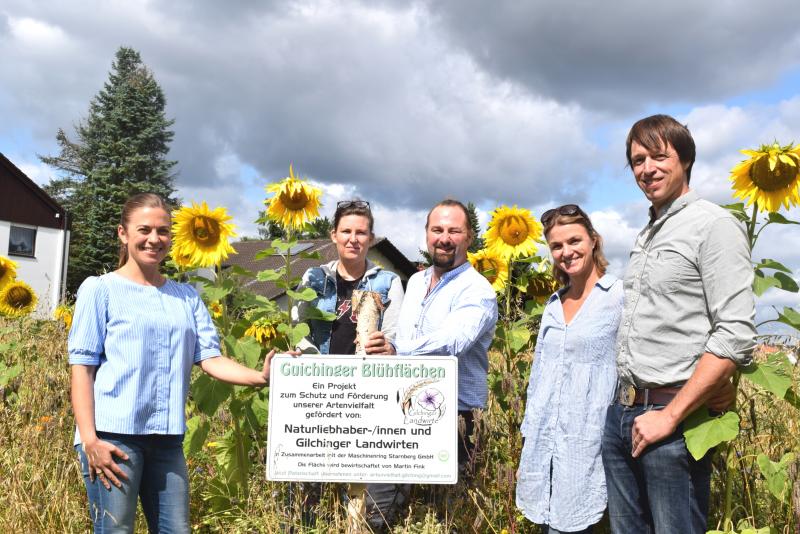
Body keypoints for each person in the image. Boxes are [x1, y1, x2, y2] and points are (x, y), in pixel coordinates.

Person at [69, 193, 276, 534]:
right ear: (123, 233)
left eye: (163, 231)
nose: (154, 239)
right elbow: (82, 368)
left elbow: (211, 358)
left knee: (176, 530)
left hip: (167, 440)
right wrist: (89, 440)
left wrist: (261, 376)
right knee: (116, 530)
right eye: (144, 229)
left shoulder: (186, 296)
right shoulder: (100, 290)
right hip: (112, 440)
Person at [602, 114, 756, 533]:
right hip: (623, 413)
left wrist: (671, 417)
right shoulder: (646, 234)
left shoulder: (714, 225)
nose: (646, 168)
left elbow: (735, 332)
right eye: (637, 160)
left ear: (685, 159)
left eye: (658, 156)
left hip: (672, 421)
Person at [292, 199, 405, 531]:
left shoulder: (388, 282)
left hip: (367, 398)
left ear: (370, 238)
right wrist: (308, 367)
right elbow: (299, 330)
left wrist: (390, 346)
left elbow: (398, 333)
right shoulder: (314, 278)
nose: (353, 238)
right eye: (346, 231)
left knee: (360, 486)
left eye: (361, 232)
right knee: (310, 485)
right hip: (321, 395)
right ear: (334, 236)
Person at [516, 205, 621, 534]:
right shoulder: (553, 305)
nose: (566, 251)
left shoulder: (619, 296)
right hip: (544, 444)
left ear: (593, 240)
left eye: (574, 240)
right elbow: (539, 380)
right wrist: (527, 443)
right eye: (556, 246)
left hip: (590, 443)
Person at [383, 199, 498, 465]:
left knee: (450, 502)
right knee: (399, 499)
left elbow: (454, 342)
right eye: (437, 230)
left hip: (457, 417)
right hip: (407, 408)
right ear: (427, 234)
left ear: (469, 237)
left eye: (454, 231)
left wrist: (396, 350)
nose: (444, 239)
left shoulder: (477, 290)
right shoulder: (414, 282)